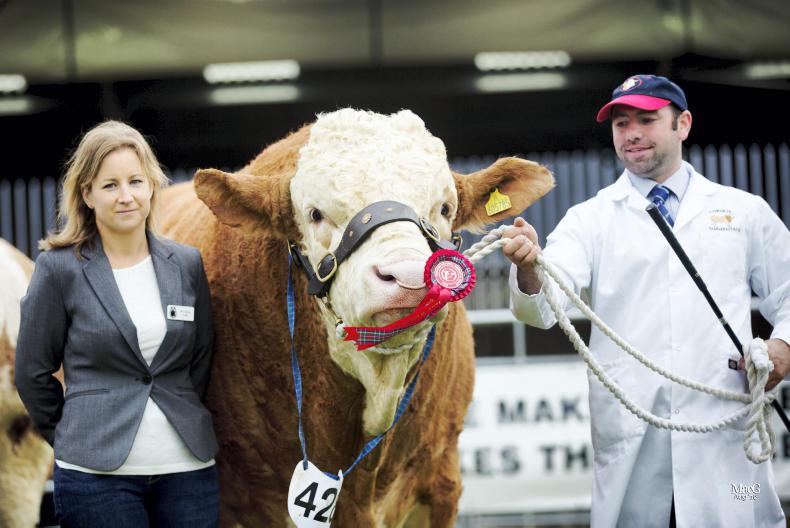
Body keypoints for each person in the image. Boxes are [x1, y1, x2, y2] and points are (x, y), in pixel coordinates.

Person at [504, 74, 790, 527]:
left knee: (740, 509)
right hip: (632, 440)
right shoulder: (589, 220)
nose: (632, 133)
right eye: (621, 123)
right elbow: (541, 308)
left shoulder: (742, 210)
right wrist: (527, 266)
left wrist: (783, 347)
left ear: (684, 124)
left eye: (647, 119)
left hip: (725, 442)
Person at [14, 121, 219, 527]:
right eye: (109, 185)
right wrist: (72, 435)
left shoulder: (186, 264)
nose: (126, 196)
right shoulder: (59, 270)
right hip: (96, 480)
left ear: (151, 187)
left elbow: (201, 358)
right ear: (86, 194)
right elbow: (32, 373)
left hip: (188, 473)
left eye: (135, 182)